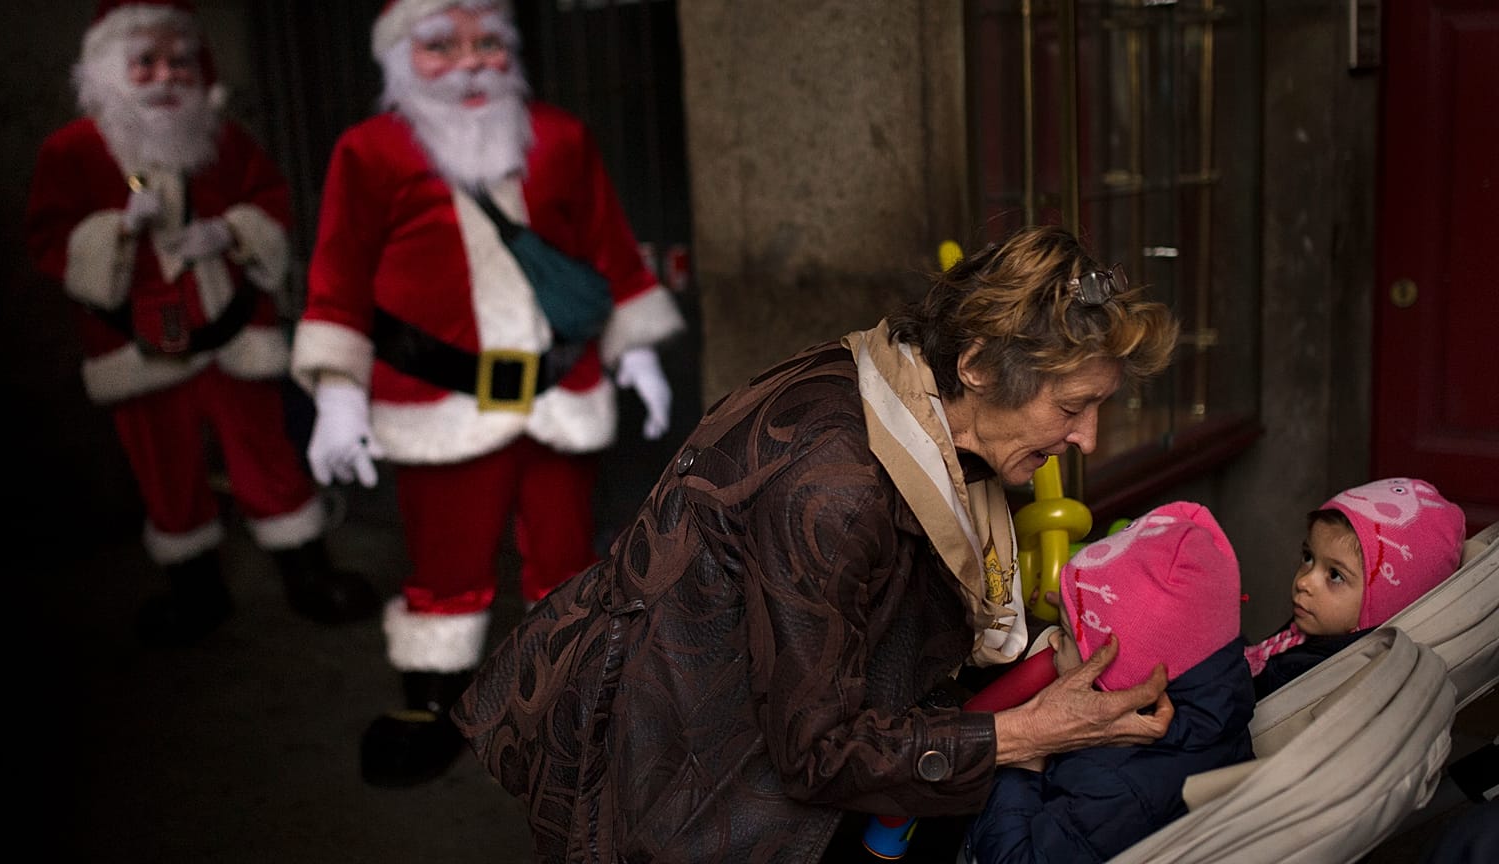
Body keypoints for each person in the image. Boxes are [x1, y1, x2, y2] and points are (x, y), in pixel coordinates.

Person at [454, 225, 1181, 862]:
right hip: (686, 802)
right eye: (1072, 407)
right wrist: (1024, 734)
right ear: (981, 365)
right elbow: (817, 751)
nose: (1086, 438)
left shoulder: (891, 378)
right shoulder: (835, 484)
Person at [290, 0, 685, 787]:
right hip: (438, 405)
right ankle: (432, 704)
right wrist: (338, 392)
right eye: (442, 46)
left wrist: (636, 351)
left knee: (568, 560)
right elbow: (338, 277)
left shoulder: (561, 138)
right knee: (445, 564)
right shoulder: (367, 153)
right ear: (401, 54)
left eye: (486, 44)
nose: (471, 63)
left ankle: (571, 702)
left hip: (558, 395)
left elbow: (606, 247)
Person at [24, 0, 379, 648]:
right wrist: (114, 232)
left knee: (267, 454)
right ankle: (196, 593)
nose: (165, 77)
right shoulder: (70, 152)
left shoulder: (221, 140)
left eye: (179, 62)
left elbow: (270, 201)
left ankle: (306, 575)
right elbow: (47, 240)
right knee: (164, 468)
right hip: (136, 344)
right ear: (109, 70)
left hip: (232, 333)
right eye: (146, 63)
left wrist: (233, 231)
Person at [960, 501, 1255, 864]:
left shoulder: (1116, 785)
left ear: (1114, 675)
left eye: (1065, 634)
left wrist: (1024, 765)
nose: (1053, 641)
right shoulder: (1211, 712)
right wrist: (1081, 612)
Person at [1246, 476, 1466, 700]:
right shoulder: (1319, 626)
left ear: (1381, 604)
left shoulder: (1310, 675)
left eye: (1334, 575)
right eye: (1308, 557)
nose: (1304, 582)